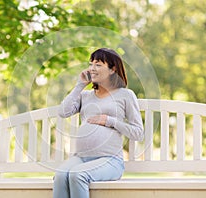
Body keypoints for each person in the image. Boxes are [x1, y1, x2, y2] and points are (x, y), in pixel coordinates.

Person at [53, 48, 144, 198]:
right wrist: (79, 85)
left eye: (98, 64)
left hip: (110, 160)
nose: (92, 68)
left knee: (77, 175)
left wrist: (110, 121)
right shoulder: (85, 95)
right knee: (61, 175)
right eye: (91, 64)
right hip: (80, 158)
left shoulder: (125, 95)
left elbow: (138, 133)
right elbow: (63, 112)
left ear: (112, 69)